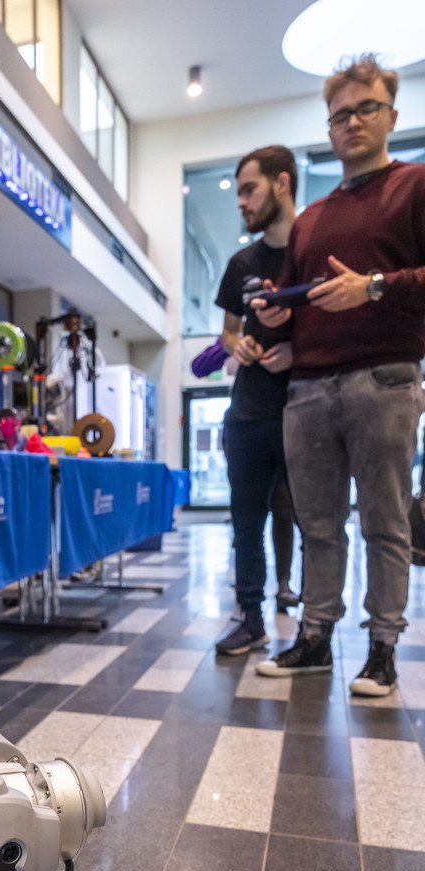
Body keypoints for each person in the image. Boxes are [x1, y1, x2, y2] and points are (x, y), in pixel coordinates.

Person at [254, 54, 425, 697]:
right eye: (340, 115)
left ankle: (382, 649)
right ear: (328, 128)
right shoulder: (310, 219)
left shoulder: (415, 186)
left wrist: (374, 286)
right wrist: (276, 313)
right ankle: (316, 638)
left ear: (391, 116)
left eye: (365, 108)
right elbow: (297, 305)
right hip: (307, 390)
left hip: (384, 379)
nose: (352, 122)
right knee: (318, 525)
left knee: (385, 521)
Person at [211, 145, 299, 655]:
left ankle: (316, 629)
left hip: (304, 407)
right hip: (247, 413)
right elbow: (227, 332)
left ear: (282, 183)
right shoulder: (241, 263)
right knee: (247, 525)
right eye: (239, 191)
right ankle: (250, 620)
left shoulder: (312, 252)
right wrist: (236, 345)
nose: (241, 201)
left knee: (315, 522)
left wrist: (298, 351)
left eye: (250, 189)